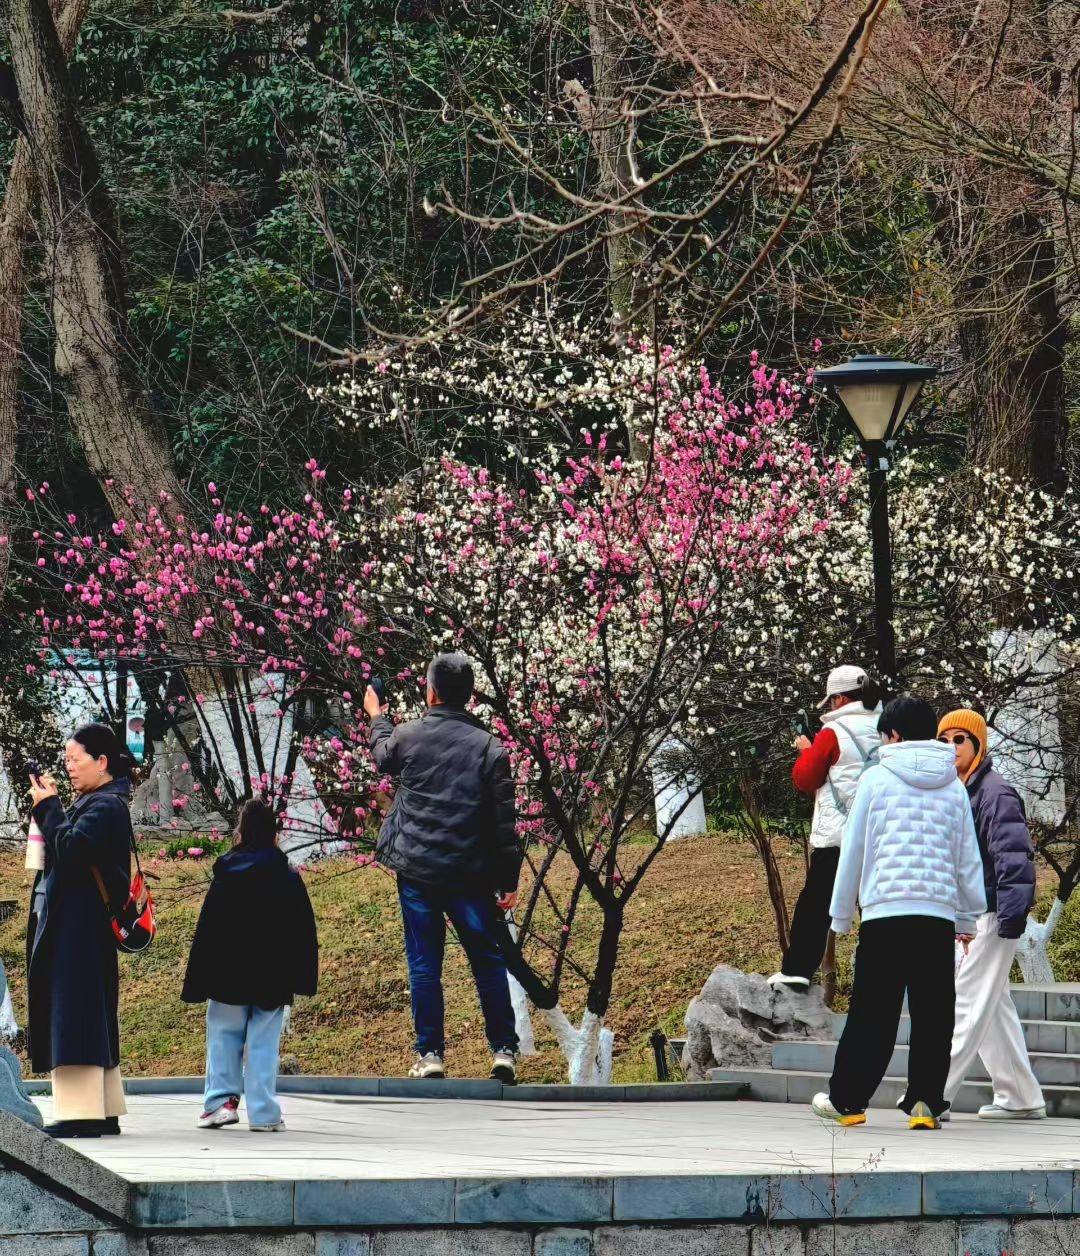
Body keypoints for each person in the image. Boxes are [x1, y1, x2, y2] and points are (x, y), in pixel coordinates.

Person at [811, 696, 986, 1131]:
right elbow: (967, 858)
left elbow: (853, 850)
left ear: (892, 735)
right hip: (936, 915)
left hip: (885, 914)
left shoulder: (875, 779)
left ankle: (848, 1100)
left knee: (873, 1012)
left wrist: (839, 916)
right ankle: (926, 1102)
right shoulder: (953, 786)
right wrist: (967, 918)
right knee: (934, 1012)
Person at [365, 652, 522, 1083]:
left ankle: (430, 1052)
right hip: (470, 873)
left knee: (424, 962)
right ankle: (504, 1050)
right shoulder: (491, 748)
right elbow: (503, 825)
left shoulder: (410, 736)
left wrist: (376, 713)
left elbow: (382, 755)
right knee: (487, 961)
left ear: (431, 691)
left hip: (417, 870)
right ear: (468, 696)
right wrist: (508, 880)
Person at [182, 798, 318, 1131]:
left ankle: (220, 1103)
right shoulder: (286, 876)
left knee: (223, 1036)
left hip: (227, 972)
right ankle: (264, 1112)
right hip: (272, 975)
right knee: (263, 1042)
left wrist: (200, 977)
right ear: (275, 833)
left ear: (240, 831)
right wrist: (301, 977)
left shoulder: (226, 874)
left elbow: (208, 930)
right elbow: (302, 931)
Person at [27, 723, 135, 1138]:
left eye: (76, 759)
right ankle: (103, 1107)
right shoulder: (97, 801)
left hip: (79, 927)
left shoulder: (106, 806)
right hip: (81, 924)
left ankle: (81, 1112)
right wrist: (49, 807)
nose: (69, 767)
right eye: (67, 759)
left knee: (73, 1011)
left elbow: (71, 851)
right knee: (89, 1009)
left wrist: (51, 807)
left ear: (102, 761)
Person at [936, 709, 1045, 1120]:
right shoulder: (958, 790)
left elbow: (1013, 859)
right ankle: (1020, 1096)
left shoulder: (995, 792)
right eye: (943, 741)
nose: (951, 748)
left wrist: (1010, 918)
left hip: (995, 913)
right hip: (972, 913)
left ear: (978, 744)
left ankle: (932, 1092)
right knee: (991, 1005)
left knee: (965, 999)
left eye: (959, 740)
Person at [768, 665, 882, 989]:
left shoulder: (834, 733)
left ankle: (797, 972)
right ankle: (895, 974)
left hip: (838, 838)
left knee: (815, 905)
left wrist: (806, 750)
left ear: (840, 698)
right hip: (878, 836)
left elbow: (805, 779)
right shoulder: (887, 728)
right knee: (876, 908)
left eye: (831, 701)